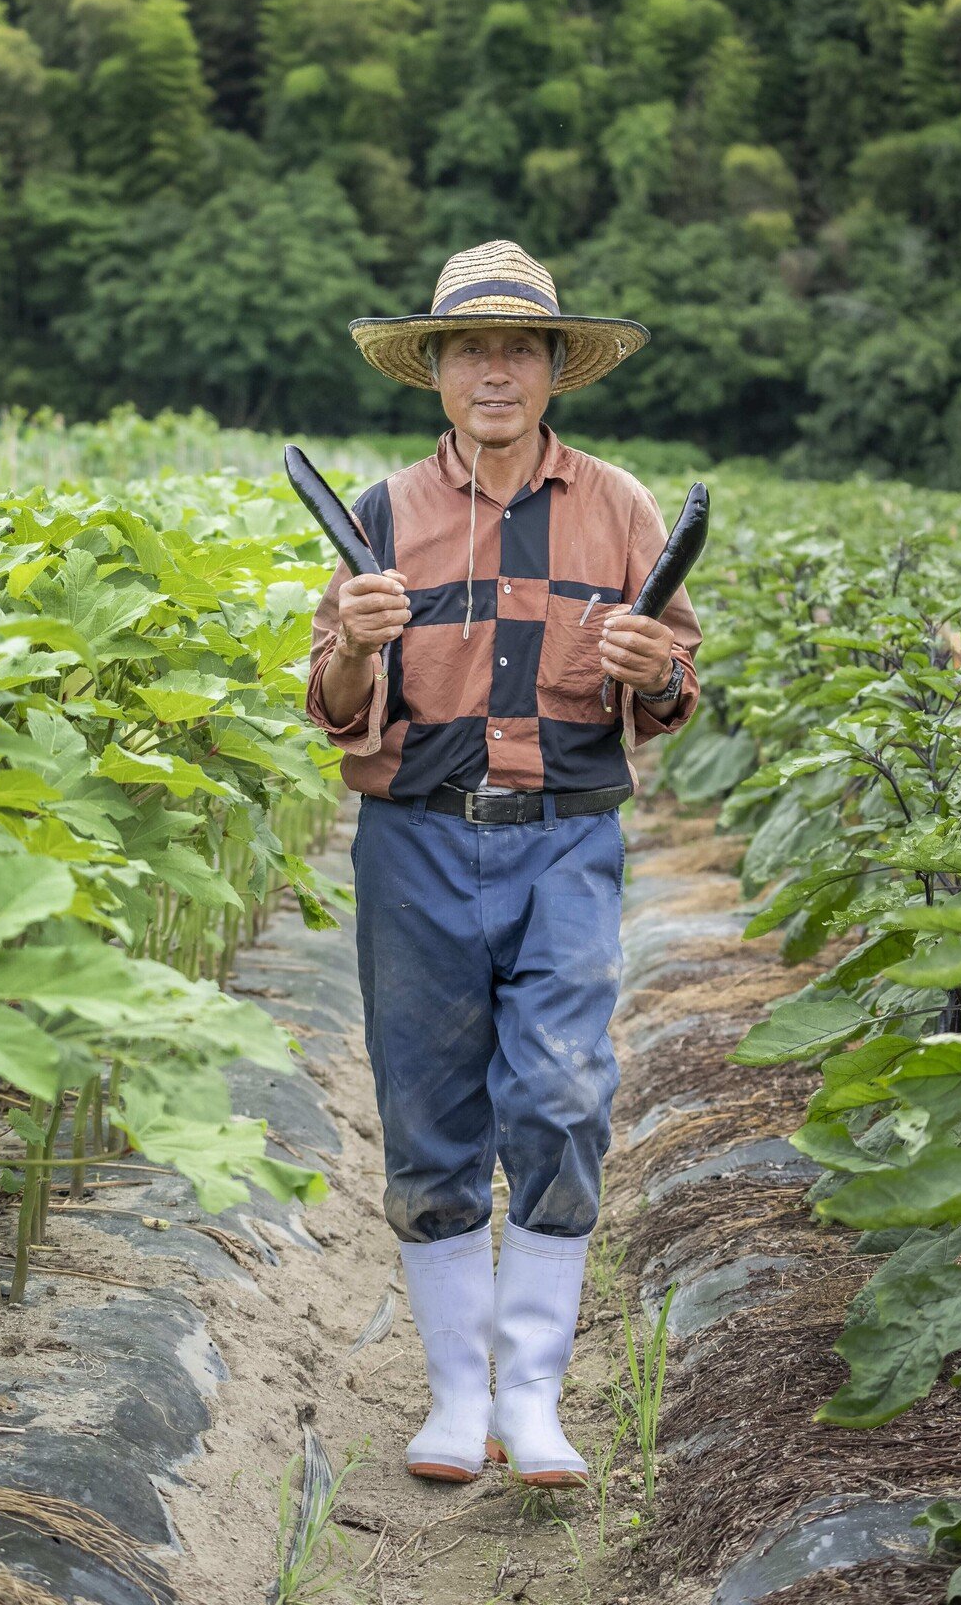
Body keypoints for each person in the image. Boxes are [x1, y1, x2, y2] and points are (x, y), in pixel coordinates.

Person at [305, 239, 702, 1488]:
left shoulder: (619, 507)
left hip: (567, 840)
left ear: (550, 370)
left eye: (515, 349)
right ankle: (452, 1399)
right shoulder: (378, 516)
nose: (492, 370)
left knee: (563, 1094)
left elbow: (673, 677)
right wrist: (360, 651)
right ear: (432, 370)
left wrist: (654, 673)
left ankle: (529, 1400)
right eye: (467, 348)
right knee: (427, 1112)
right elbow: (327, 701)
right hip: (414, 842)